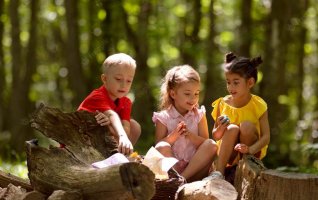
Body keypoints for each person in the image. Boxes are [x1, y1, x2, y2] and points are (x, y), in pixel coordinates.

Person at [204, 52, 270, 180]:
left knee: (245, 126)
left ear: (250, 82)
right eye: (228, 82)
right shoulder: (222, 103)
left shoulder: (258, 105)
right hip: (230, 154)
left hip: (251, 151)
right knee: (232, 128)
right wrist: (221, 128)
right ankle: (219, 173)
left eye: (236, 82)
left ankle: (246, 168)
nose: (230, 87)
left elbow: (266, 137)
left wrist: (250, 149)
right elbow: (216, 135)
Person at [152, 65, 218, 182]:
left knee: (211, 144)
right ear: (173, 94)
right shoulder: (163, 118)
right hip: (172, 170)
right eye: (187, 94)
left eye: (196, 93)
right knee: (161, 146)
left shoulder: (199, 115)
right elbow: (158, 147)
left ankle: (182, 180)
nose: (193, 98)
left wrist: (190, 136)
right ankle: (176, 179)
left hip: (196, 170)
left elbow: (205, 143)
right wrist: (173, 137)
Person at [78, 53, 141, 155]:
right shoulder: (97, 96)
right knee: (112, 125)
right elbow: (111, 115)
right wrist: (122, 136)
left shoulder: (126, 101)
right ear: (105, 79)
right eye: (118, 79)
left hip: (102, 139)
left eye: (129, 81)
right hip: (81, 140)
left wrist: (112, 129)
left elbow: (127, 129)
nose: (124, 85)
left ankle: (120, 154)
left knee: (135, 126)